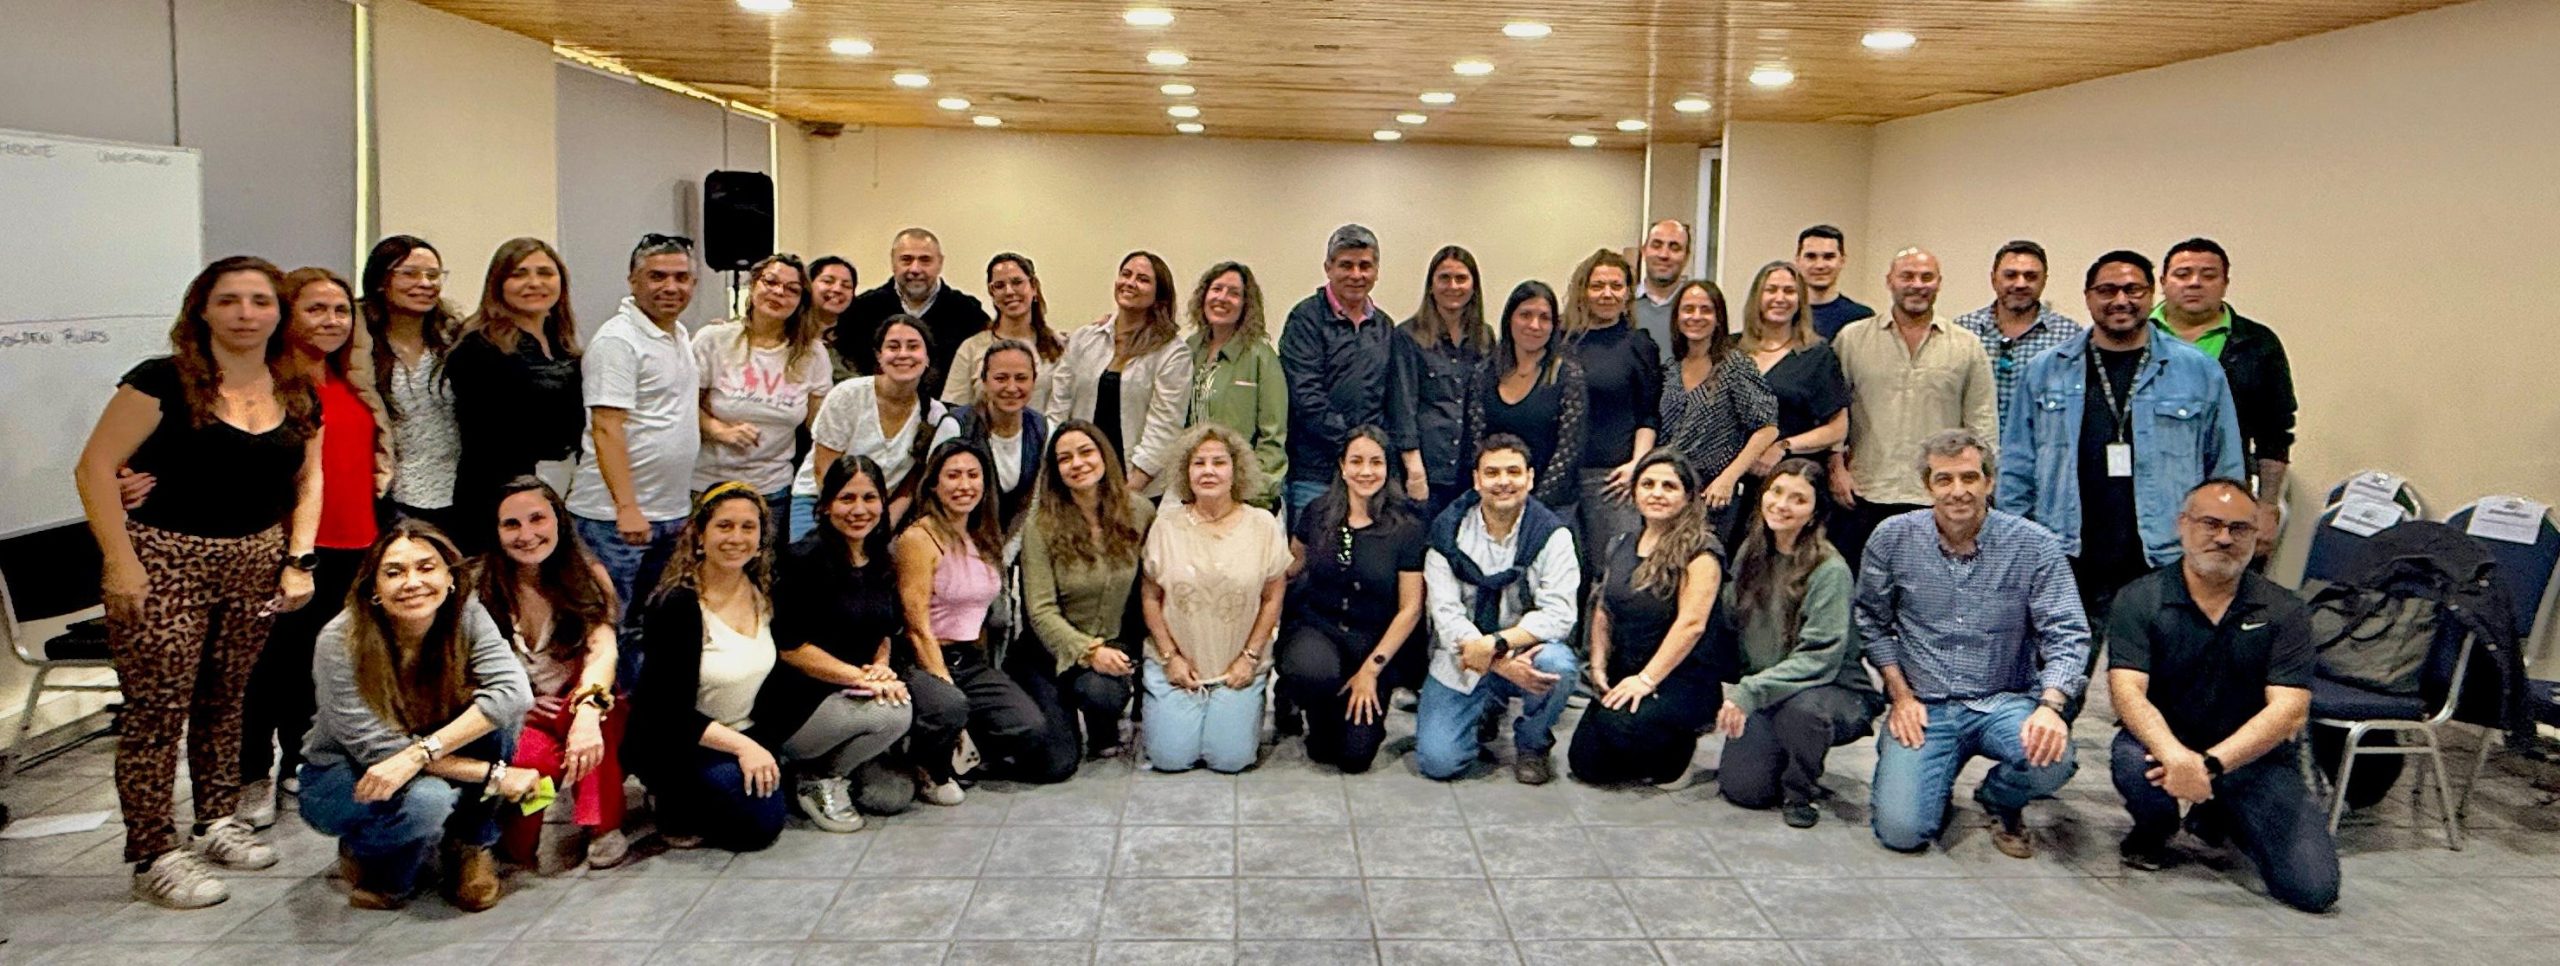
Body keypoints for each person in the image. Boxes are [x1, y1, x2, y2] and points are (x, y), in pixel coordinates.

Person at [73, 256, 321, 908]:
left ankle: (216, 821)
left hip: (255, 559)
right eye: (229, 300)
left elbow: (308, 479)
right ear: (202, 311)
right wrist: (120, 561)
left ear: (279, 313)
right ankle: (153, 852)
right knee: (157, 711)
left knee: (226, 701)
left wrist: (298, 560)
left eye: (260, 301)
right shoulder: (161, 381)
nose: (245, 314)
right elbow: (95, 468)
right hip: (165, 558)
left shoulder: (296, 387)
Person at [1999, 249, 2243, 718]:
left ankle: (2152, 765)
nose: (2120, 300)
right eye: (2107, 290)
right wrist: (2017, 547)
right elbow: (2017, 467)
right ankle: (2039, 760)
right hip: (2067, 556)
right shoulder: (2046, 370)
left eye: (2133, 290)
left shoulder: (2198, 371)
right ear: (2088, 296)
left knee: (2167, 694)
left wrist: (2218, 547)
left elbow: (2224, 468)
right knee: (2051, 691)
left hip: (2162, 557)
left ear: (2152, 295)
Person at [2107, 479, 2339, 913]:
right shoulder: (2139, 599)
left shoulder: (2285, 610)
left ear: (2257, 535)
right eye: (2210, 524)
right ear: (2183, 525)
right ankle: (2154, 829)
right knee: (2131, 762)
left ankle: (2220, 814)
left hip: (2255, 758)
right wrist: (2176, 757)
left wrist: (2212, 765)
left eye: (2239, 528)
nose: (2224, 538)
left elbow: (2289, 711)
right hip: (2164, 749)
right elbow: (2126, 692)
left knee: (2314, 890)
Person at [1861, 429, 2089, 859]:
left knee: (2053, 758)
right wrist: (1901, 695)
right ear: (1927, 486)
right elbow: (1870, 621)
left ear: (1989, 481)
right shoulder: (1893, 538)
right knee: (1902, 832)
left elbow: (2067, 631)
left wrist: (2050, 706)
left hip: (2006, 699)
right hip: (1924, 705)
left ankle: (2000, 797)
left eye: (1969, 477)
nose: (1958, 491)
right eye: (1944, 479)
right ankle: (1929, 781)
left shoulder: (2034, 545)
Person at [297, 521, 535, 911]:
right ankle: (369, 848)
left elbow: (514, 692)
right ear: (374, 587)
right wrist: (493, 774)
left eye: (426, 567)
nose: (412, 583)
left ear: (450, 577)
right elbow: (377, 751)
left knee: (501, 717)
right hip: (348, 769)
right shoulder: (339, 639)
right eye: (394, 572)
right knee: (428, 801)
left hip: (420, 756)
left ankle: (470, 844)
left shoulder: (467, 613)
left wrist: (420, 753)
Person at [239, 268, 386, 829]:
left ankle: (298, 763)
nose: (331, 321)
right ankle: (251, 774)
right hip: (293, 547)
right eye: (316, 309)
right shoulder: (268, 384)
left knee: (319, 666)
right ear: (286, 316)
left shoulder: (352, 380)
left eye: (341, 310)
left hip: (356, 541)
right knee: (268, 667)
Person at [895, 440, 1076, 798]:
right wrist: (945, 683)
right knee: (950, 704)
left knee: (1030, 727)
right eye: (953, 476)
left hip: (971, 660)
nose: (964, 485)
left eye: (973, 475)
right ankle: (925, 763)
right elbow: (916, 626)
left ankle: (963, 747)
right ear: (934, 485)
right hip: (924, 661)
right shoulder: (918, 538)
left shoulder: (982, 534)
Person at [1715, 459, 1882, 828]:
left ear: (1814, 513)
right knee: (1744, 790)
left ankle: (1800, 790)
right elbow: (1729, 618)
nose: (1782, 505)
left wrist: (1749, 691)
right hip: (1772, 688)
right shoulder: (1752, 552)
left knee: (1802, 712)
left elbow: (1819, 659)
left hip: (1831, 690)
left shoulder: (1830, 570)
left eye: (1798, 499)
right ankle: (1781, 756)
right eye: (1776, 492)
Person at [773, 455, 943, 817]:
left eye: (869, 498)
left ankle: (827, 768)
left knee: (892, 796)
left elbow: (884, 629)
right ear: (826, 505)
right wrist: (862, 678)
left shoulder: (880, 558)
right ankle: (816, 777)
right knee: (895, 713)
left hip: (857, 692)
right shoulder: (802, 560)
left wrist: (881, 666)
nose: (859, 510)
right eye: (847, 498)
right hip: (803, 701)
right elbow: (791, 648)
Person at [478, 478, 630, 870]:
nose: (527, 534)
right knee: (535, 764)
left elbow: (603, 652)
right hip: (517, 711)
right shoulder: (476, 588)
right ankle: (519, 841)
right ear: (496, 532)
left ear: (558, 521)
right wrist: (516, 705)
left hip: (581, 698)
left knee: (595, 730)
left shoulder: (590, 577)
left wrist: (587, 713)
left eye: (537, 519)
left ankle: (601, 825)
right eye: (511, 524)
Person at [628, 486, 790, 851]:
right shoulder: (678, 604)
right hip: (682, 740)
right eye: (725, 526)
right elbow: (668, 713)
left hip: (743, 729)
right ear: (700, 535)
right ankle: (672, 801)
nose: (736, 538)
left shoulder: (763, 591)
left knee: (772, 796)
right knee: (760, 826)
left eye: (748, 527)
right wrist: (744, 748)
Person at [1416, 435, 1584, 784]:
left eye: (1513, 472)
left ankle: (1533, 743)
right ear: (1476, 480)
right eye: (1492, 473)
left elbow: (1560, 614)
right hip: (1462, 655)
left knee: (1559, 665)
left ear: (1530, 478)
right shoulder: (1447, 533)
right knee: (1438, 762)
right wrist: (1497, 663)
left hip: (1523, 650)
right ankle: (1484, 709)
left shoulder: (1553, 536)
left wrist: (1496, 644)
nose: (1503, 481)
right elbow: (1446, 618)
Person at [1827, 248, 1996, 572]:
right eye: (1907, 276)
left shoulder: (1966, 346)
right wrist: (1836, 468)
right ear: (1890, 281)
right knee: (1865, 589)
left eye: (1926, 277)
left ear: (1939, 283)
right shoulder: (1852, 339)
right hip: (1866, 492)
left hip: (1937, 498)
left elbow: (1982, 422)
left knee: (1931, 591)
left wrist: (1981, 489)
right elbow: (1833, 411)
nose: (1917, 285)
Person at [1139, 423, 1292, 773]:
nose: (1208, 471)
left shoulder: (1262, 525)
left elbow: (1273, 596)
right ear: (1186, 472)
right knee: (1170, 758)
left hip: (1238, 665)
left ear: (1236, 470)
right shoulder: (1165, 526)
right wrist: (1170, 657)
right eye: (1199, 463)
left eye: (1219, 462)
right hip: (1177, 664)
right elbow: (1150, 596)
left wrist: (1249, 657)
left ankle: (1231, 708)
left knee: (1230, 759)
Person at [1566, 450, 1724, 786]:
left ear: (1688, 496)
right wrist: (1598, 667)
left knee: (1619, 727)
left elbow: (1692, 625)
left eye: (1669, 486)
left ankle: (1680, 746)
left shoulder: (1701, 551)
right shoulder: (1621, 543)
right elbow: (1603, 609)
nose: (1657, 493)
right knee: (1585, 764)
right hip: (1627, 669)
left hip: (1678, 678)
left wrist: (1646, 680)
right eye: (1648, 484)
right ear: (1635, 491)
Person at [566, 234, 701, 625]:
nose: (671, 287)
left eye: (681, 277)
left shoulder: (678, 335)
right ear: (633, 280)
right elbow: (606, 427)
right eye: (657, 276)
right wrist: (627, 508)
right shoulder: (618, 341)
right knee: (609, 625)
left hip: (669, 513)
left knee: (653, 626)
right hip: (614, 519)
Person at [1278, 426, 1426, 773]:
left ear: (1388, 468)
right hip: (1319, 628)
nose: (1365, 471)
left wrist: (1370, 671)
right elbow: (1291, 565)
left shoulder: (1407, 526)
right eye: (1356, 461)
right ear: (1342, 467)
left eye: (1375, 462)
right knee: (1312, 676)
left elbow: (1411, 608)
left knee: (1354, 758)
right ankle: (1307, 702)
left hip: (1373, 641)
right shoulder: (1317, 512)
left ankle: (1352, 708)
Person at [2152, 238, 2298, 562]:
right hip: (2144, 495)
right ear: (2163, 282)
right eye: (2182, 274)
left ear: (2225, 283)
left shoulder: (2257, 344)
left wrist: (2267, 506)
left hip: (2226, 496)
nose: (2194, 283)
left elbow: (2275, 432)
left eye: (2208, 275)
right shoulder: (2133, 337)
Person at [1020, 422, 1153, 761]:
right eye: (1065, 459)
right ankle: (1058, 710)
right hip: (1049, 651)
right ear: (1055, 470)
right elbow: (1040, 610)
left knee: (1101, 693)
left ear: (1104, 456)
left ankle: (1101, 723)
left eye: (1086, 452)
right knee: (1058, 763)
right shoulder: (1040, 525)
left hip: (1111, 643)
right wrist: (1089, 651)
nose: (1077, 464)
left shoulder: (1140, 512)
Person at [447, 237, 584, 553]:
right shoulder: (478, 348)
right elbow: (490, 438)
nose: (534, 283)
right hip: (499, 496)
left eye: (545, 273)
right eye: (519, 274)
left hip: (559, 488)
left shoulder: (562, 345)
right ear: (498, 284)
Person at [1279, 224, 1421, 515]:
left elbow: (1393, 399)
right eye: (1346, 265)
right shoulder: (1305, 319)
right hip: (1315, 473)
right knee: (1312, 544)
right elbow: (1306, 396)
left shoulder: (1384, 326)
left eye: (1365, 266)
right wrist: (1354, 445)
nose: (1356, 275)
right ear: (1328, 268)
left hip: (1370, 474)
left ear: (1376, 272)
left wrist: (1373, 453)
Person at [694, 252, 833, 537]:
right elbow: (683, 406)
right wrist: (718, 429)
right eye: (771, 282)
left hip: (772, 490)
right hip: (708, 485)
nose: (779, 293)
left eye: (792, 290)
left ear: (801, 301)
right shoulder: (714, 340)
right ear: (754, 284)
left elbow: (820, 427)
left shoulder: (813, 353)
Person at [1043, 251, 1193, 496]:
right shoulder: (1084, 339)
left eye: (1143, 279)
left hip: (1138, 487)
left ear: (1159, 294)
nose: (1130, 283)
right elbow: (1059, 406)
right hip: (1080, 478)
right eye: (1126, 274)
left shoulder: (1172, 352)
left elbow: (1165, 426)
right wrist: (1057, 464)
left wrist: (1130, 490)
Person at [1562, 248, 1663, 604]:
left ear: (1628, 292)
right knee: (1563, 576)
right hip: (1560, 477)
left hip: (1613, 479)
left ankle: (1603, 640)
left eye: (1616, 286)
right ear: (1583, 290)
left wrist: (1637, 464)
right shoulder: (1562, 341)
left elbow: (1649, 414)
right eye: (1598, 285)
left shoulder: (1639, 345)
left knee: (1613, 575)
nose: (1607, 294)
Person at [791, 315, 948, 541]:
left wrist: (883, 526)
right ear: (879, 356)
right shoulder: (847, 395)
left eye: (913, 347)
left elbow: (912, 483)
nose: (903, 354)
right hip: (819, 501)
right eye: (893, 346)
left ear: (927, 358)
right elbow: (823, 469)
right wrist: (847, 524)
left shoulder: (935, 415)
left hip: (876, 514)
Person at [360, 235, 467, 537]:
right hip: (388, 495)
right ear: (381, 281)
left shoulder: (456, 340)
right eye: (410, 274)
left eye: (433, 275)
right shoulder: (357, 345)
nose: (425, 283)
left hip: (459, 491)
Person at [1656, 278, 1779, 541]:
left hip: (1713, 493)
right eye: (1688, 309)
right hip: (1671, 489)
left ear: (1718, 318)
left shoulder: (1734, 366)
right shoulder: (1670, 369)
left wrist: (1729, 477)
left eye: (1706, 310)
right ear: (1677, 317)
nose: (1696, 316)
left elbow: (1767, 428)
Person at [1737, 261, 1851, 527]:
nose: (1780, 298)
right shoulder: (1732, 349)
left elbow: (1837, 428)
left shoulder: (1817, 355)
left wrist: (1783, 447)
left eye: (1789, 291)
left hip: (1791, 482)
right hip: (1736, 483)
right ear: (1757, 297)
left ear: (1800, 300)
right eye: (1771, 290)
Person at [1462, 281, 1587, 513]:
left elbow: (1568, 454)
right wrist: (1497, 496)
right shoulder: (1484, 374)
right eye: (1525, 315)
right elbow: (1475, 444)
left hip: (1551, 506)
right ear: (1509, 319)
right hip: (1493, 501)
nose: (1534, 325)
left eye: (1544, 318)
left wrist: (1530, 507)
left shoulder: (1568, 376)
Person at [1394, 246, 1496, 520]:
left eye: (1461, 278)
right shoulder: (1408, 336)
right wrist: (1414, 469)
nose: (1453, 286)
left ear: (1473, 286)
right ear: (1431, 285)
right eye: (1444, 278)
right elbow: (1402, 405)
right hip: (1427, 470)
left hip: (1470, 469)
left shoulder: (1484, 337)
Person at [832, 227, 989, 399]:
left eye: (925, 260)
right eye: (906, 260)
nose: (915, 269)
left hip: (947, 411)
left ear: (940, 263)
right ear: (893, 262)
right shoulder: (862, 310)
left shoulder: (967, 312)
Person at [1183, 261, 1289, 509]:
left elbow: (1272, 436)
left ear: (1245, 304)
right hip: (1192, 489)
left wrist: (1252, 490)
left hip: (1244, 496)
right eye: (1216, 289)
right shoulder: (1189, 349)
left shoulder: (1261, 357)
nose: (1222, 298)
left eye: (1234, 293)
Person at [929, 340, 1052, 533]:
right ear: (984, 381)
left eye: (1021, 378)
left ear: (1033, 381)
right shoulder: (956, 426)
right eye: (1001, 378)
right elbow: (933, 495)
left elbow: (1039, 503)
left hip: (1018, 540)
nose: (1011, 387)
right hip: (956, 536)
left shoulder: (1044, 429)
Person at [1953, 240, 2082, 417]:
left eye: (2031, 276)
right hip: (1975, 435)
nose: (2020, 284)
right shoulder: (1963, 331)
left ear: (2044, 281)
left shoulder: (2069, 337)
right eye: (2010, 275)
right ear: (1993, 279)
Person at [943, 252, 1066, 408]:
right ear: (992, 293)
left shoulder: (1059, 346)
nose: (1009, 291)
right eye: (1000, 286)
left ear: (1033, 287)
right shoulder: (971, 348)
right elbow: (954, 408)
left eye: (1017, 282)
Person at [1797, 224, 1874, 341]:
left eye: (1828, 257)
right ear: (1798, 260)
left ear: (1842, 261)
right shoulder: (1784, 315)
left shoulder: (1862, 318)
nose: (1819, 265)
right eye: (1811, 256)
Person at [1632, 219, 1692, 367]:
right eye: (1656, 245)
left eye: (1674, 247)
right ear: (1644, 251)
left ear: (1686, 256)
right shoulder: (1622, 305)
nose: (1664, 255)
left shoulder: (1697, 311)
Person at [808, 255, 860, 382]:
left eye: (846, 286)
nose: (837, 289)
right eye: (828, 281)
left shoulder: (860, 338)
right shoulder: (789, 334)